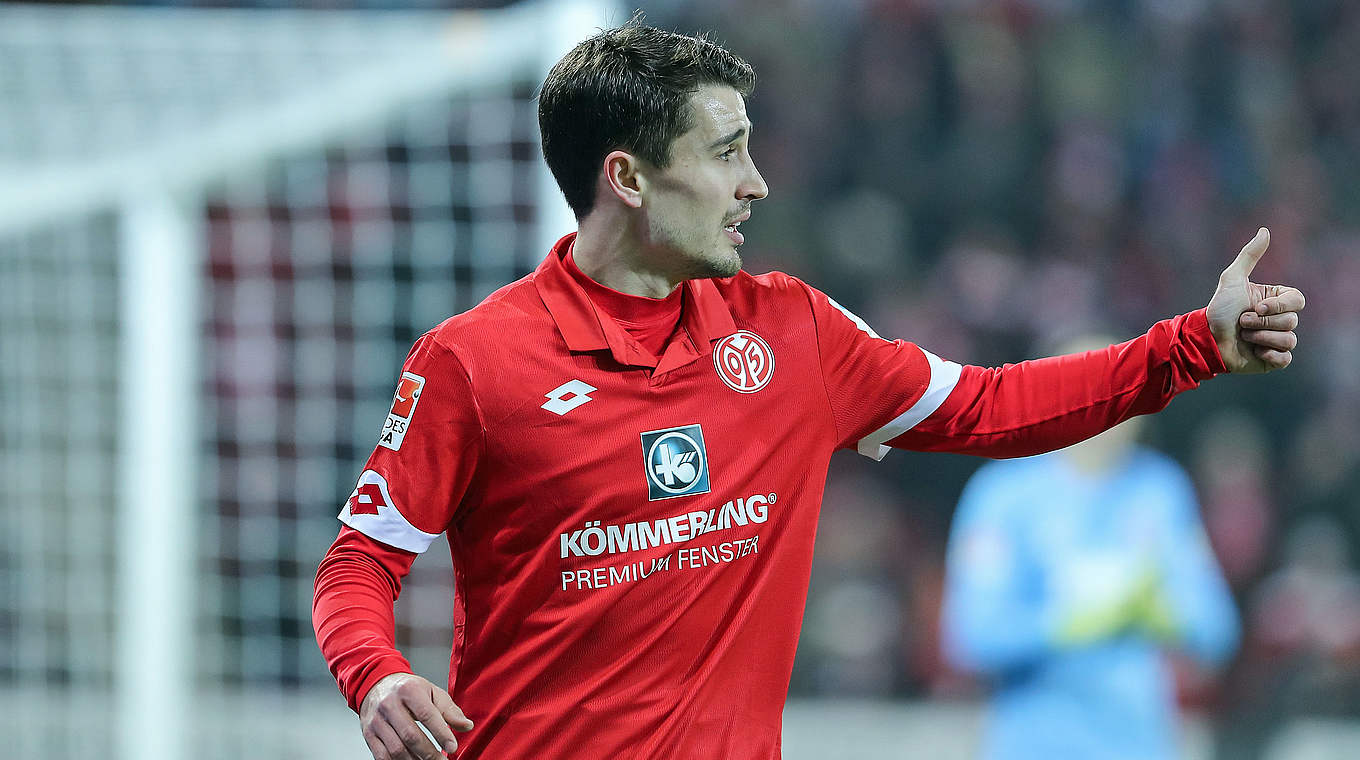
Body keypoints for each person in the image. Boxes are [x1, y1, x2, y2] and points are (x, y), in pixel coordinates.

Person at [312, 21, 1305, 760]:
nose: (757, 184)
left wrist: (1192, 347)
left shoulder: (790, 331)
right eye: (723, 151)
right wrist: (378, 672)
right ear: (627, 177)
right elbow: (359, 562)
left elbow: (989, 404)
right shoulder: (474, 362)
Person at [941, 339, 1241, 760]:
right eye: (1090, 383)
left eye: (1124, 384)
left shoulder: (1159, 491)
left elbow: (1216, 629)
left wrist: (1159, 613)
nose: (1106, 401)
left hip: (1138, 744)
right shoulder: (1003, 495)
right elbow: (970, 637)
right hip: (1034, 745)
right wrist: (1071, 623)